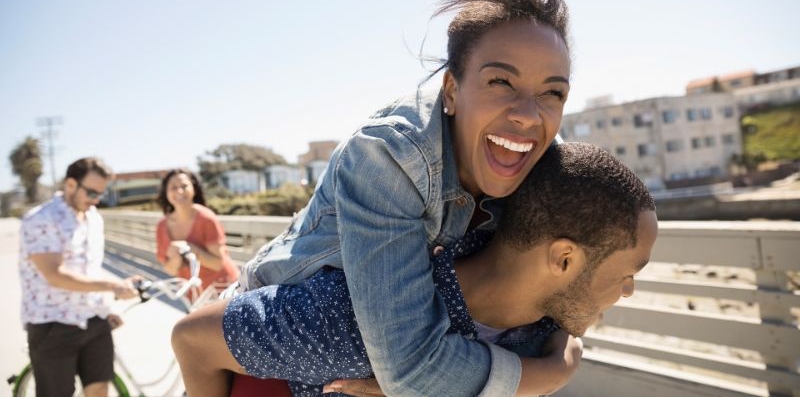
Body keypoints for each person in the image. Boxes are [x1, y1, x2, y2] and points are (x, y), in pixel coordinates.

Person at [174, 0, 577, 397]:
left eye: (552, 93)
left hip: (374, 349)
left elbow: (580, 276)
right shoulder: (389, 154)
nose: (527, 115)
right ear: (451, 90)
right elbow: (411, 370)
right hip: (289, 330)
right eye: (500, 82)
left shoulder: (547, 163)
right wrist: (554, 372)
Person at [181, 142, 658, 397]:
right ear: (563, 260)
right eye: (627, 273)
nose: (630, 290)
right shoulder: (360, 319)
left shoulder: (542, 324)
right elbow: (192, 338)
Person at [19, 157, 140, 397]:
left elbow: (89, 270)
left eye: (101, 194)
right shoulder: (40, 219)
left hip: (93, 320)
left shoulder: (94, 219)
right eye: (92, 192)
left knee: (99, 389)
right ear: (71, 184)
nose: (96, 200)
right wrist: (114, 286)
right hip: (52, 324)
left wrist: (105, 308)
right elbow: (55, 275)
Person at [155, 168, 239, 293]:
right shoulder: (162, 226)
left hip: (223, 289)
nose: (179, 191)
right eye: (173, 187)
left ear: (193, 188)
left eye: (184, 186)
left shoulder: (207, 218)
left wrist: (188, 248)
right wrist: (177, 258)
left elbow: (218, 264)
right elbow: (171, 270)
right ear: (165, 192)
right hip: (193, 292)